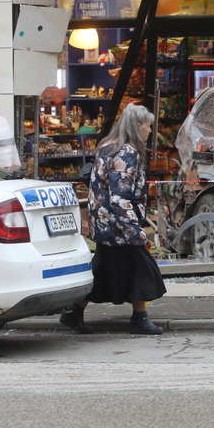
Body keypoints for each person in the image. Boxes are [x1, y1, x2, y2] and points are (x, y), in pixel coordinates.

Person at [60, 104, 166, 335]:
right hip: (119, 225)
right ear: (138, 126)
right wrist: (134, 229)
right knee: (142, 269)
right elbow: (120, 196)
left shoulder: (108, 147)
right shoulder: (126, 154)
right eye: (148, 126)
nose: (150, 131)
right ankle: (139, 318)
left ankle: (74, 311)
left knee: (105, 271)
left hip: (105, 222)